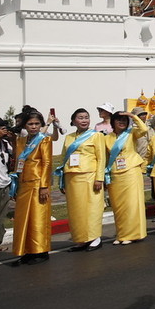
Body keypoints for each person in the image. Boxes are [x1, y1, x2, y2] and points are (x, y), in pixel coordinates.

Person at [8, 111, 55, 265]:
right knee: (23, 219)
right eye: (30, 124)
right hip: (23, 184)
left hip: (37, 183)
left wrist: (44, 186)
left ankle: (41, 250)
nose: (34, 127)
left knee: (38, 218)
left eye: (36, 124)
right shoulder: (21, 141)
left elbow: (47, 163)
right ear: (25, 125)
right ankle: (27, 249)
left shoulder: (44, 140)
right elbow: (18, 162)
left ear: (41, 124)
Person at [60, 108, 108, 251]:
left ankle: (94, 237)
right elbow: (63, 160)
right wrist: (61, 180)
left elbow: (101, 158)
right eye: (80, 118)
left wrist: (100, 178)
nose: (84, 120)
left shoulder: (96, 136)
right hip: (72, 177)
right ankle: (81, 238)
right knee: (76, 209)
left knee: (92, 207)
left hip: (90, 176)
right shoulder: (69, 137)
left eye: (86, 117)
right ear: (74, 121)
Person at [103, 110, 148, 245]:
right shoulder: (106, 138)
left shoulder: (131, 134)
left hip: (131, 171)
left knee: (132, 204)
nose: (121, 122)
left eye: (124, 120)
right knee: (118, 206)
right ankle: (122, 234)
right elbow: (105, 158)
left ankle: (133, 234)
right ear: (113, 122)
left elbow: (144, 129)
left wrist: (132, 116)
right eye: (118, 120)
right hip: (115, 173)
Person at [0, 117, 13, 255]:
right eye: (1, 128)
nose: (3, 131)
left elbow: (16, 159)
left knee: (0, 216)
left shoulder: (5, 144)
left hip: (4, 183)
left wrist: (15, 140)